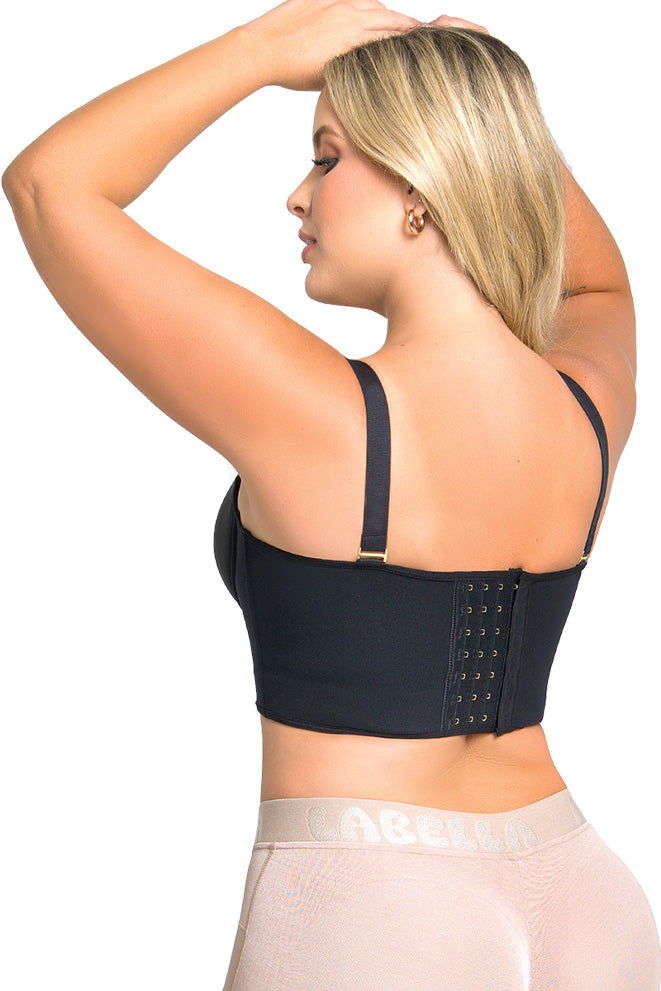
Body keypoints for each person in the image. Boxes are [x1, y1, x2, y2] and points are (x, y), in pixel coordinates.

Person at [3, 1, 660, 988]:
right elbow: (598, 290)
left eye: (326, 158)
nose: (297, 196)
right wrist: (484, 106)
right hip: (583, 894)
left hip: (370, 897)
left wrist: (265, 47)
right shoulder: (584, 406)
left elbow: (50, 185)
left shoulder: (318, 413)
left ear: (422, 188)